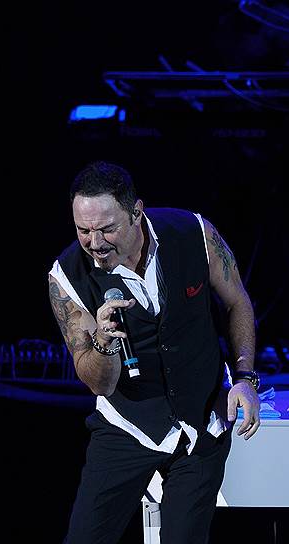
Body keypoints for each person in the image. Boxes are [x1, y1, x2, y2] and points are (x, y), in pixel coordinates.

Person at [48, 161, 260, 544]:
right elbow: (99, 384)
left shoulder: (194, 233)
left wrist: (244, 377)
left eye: (107, 228)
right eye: (83, 230)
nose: (95, 243)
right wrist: (104, 342)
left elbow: (237, 302)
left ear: (136, 212)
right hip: (127, 425)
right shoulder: (66, 277)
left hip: (202, 422)